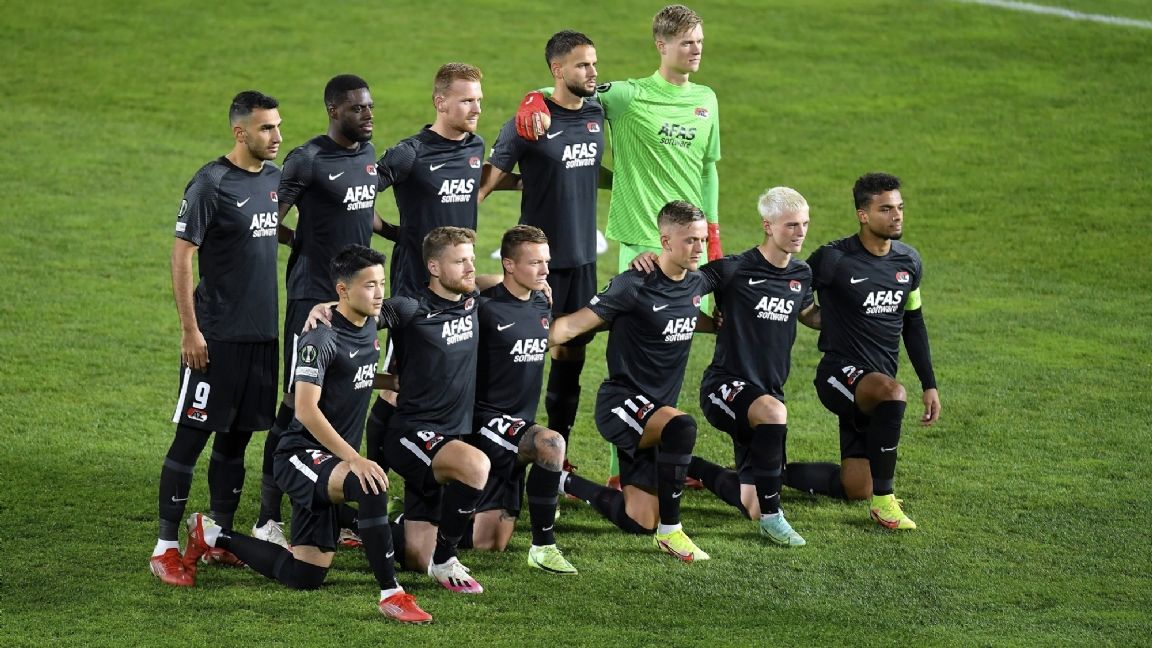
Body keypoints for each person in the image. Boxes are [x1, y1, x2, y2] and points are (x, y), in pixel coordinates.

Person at [515, 5, 722, 486]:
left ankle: (662, 456)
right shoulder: (628, 96)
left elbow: (708, 169)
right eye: (687, 42)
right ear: (662, 45)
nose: (696, 50)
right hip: (642, 245)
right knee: (635, 364)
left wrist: (712, 234)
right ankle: (619, 471)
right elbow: (568, 88)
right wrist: (532, 99)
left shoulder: (706, 99)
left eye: (699, 41)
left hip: (689, 245)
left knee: (673, 350)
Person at [183, 245, 432, 623]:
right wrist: (355, 458)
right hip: (300, 454)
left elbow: (422, 303)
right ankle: (391, 594)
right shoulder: (320, 339)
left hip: (331, 461)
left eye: (382, 283)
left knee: (305, 575)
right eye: (370, 285)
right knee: (370, 485)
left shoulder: (375, 316)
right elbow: (305, 409)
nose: (380, 293)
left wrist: (393, 381)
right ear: (343, 290)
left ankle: (213, 535)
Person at [150, 90, 283, 587]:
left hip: (261, 336)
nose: (276, 136)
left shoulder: (274, 179)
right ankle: (166, 547)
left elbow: (267, 232)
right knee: (191, 437)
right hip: (216, 337)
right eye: (266, 128)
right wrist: (191, 330)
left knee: (237, 439)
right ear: (240, 132)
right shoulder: (211, 183)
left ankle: (217, 537)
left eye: (278, 125)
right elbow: (182, 255)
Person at [256, 74, 394, 548]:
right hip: (312, 298)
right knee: (295, 404)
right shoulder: (308, 159)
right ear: (334, 111)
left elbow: (361, 208)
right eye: (357, 108)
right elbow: (268, 218)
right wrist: (304, 243)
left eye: (370, 106)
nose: (368, 115)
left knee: (345, 393)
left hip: (357, 300)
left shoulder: (367, 154)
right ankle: (267, 518)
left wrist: (397, 232)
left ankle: (332, 505)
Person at [549, 201, 718, 562]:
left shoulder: (697, 282)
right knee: (682, 426)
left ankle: (559, 480)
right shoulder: (633, 284)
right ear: (665, 242)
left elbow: (699, 301)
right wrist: (519, 339)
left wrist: (720, 322)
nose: (699, 249)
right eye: (690, 240)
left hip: (653, 415)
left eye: (702, 240)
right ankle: (672, 533)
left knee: (639, 520)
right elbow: (572, 326)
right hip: (621, 404)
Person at [784, 173, 941, 530]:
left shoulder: (908, 263)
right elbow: (793, 284)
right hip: (838, 375)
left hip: (876, 382)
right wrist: (811, 315)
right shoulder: (834, 258)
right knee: (892, 393)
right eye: (886, 209)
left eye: (899, 207)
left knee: (856, 487)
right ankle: (884, 503)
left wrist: (929, 384)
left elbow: (913, 324)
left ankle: (763, 473)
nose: (897, 215)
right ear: (863, 215)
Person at [478, 30, 607, 464]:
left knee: (570, 358)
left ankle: (558, 453)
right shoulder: (528, 121)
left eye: (594, 63)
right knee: (522, 357)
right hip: (537, 265)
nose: (592, 72)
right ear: (557, 69)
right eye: (582, 65)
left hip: (582, 262)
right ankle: (502, 446)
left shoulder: (596, 109)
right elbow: (484, 185)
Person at [365, 63, 488, 471]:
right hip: (416, 290)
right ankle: (374, 479)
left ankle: (438, 470)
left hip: (459, 287)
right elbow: (359, 194)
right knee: (397, 386)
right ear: (440, 102)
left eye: (479, 100)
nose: (476, 109)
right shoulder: (410, 153)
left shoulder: (475, 147)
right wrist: (394, 233)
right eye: (467, 101)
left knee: (446, 381)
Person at [688, 187, 819, 546]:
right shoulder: (733, 269)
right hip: (725, 386)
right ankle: (774, 520)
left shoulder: (802, 274)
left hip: (767, 392)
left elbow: (808, 313)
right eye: (791, 225)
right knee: (774, 414)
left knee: (752, 504)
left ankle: (687, 464)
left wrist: (862, 312)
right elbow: (681, 287)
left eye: (805, 224)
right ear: (767, 225)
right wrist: (651, 263)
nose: (800, 232)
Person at [377, 226, 492, 593]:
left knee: (415, 557)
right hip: (412, 434)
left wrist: (528, 281)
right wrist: (325, 309)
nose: (470, 268)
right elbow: (359, 315)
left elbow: (487, 282)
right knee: (476, 465)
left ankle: (358, 521)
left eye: (472, 259)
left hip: (449, 437)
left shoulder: (471, 299)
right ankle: (446, 560)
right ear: (434, 267)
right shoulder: (410, 307)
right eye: (460, 262)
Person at [465, 225, 575, 574]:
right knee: (550, 443)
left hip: (517, 424)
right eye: (535, 263)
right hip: (486, 422)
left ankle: (418, 520)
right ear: (509, 265)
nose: (545, 271)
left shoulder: (541, 302)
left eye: (547, 262)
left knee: (488, 544)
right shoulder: (483, 308)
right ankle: (544, 547)